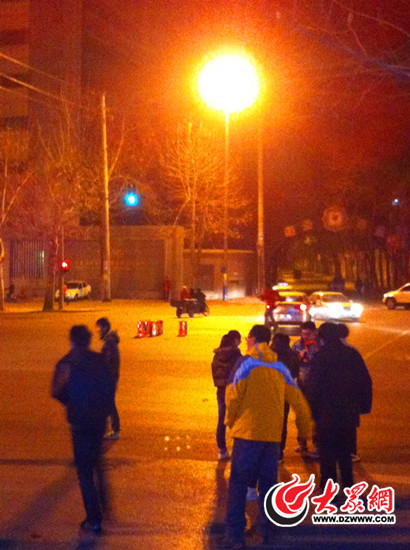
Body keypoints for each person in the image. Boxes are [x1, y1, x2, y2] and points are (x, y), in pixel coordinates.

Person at [220, 325, 311, 549]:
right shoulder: (280, 368)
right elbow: (299, 403)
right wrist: (304, 432)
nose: (246, 341)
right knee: (268, 488)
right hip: (271, 440)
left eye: (248, 338)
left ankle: (235, 537)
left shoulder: (245, 363)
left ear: (252, 339)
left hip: (247, 436)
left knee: (238, 486)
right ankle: (266, 534)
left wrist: (229, 422)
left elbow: (232, 396)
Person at [51, 325, 115, 535]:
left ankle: (94, 518)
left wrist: (70, 401)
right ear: (88, 341)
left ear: (72, 341)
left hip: (80, 422)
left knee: (85, 472)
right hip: (98, 421)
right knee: (97, 462)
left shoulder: (67, 363)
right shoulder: (99, 361)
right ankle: (105, 505)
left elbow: (56, 391)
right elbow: (109, 390)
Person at [305, 322, 372, 492]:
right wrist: (363, 407)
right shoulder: (352, 354)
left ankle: (329, 491)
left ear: (322, 338)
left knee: (327, 456)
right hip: (348, 414)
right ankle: (349, 488)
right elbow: (365, 382)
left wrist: (311, 412)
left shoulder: (320, 357)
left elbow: (312, 387)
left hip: (325, 415)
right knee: (345, 455)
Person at [292, 320, 322, 457]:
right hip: (302, 385)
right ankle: (302, 444)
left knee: (316, 416)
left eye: (308, 334)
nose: (306, 336)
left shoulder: (320, 345)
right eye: (303, 334)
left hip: (317, 385)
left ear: (315, 333)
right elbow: (292, 362)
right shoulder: (297, 345)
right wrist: (299, 357)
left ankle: (317, 445)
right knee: (301, 415)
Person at [211, 330, 242, 460]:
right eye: (239, 340)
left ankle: (222, 450)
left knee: (222, 420)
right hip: (233, 390)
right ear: (235, 341)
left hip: (221, 390)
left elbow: (215, 373)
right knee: (237, 420)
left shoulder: (217, 356)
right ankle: (238, 449)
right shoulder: (236, 355)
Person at [271, 333, 300, 463]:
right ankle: (279, 453)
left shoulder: (269, 355)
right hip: (285, 393)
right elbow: (295, 373)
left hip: (270, 393)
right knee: (282, 423)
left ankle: (269, 451)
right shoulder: (292, 355)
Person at [337, 324, 362, 463]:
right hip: (349, 396)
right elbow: (361, 377)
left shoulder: (326, 352)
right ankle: (350, 452)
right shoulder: (352, 352)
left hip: (333, 397)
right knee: (349, 425)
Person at [96, 317, 120, 440]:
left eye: (100, 328)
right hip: (109, 377)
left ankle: (115, 430)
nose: (99, 331)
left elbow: (109, 362)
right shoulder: (109, 342)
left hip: (109, 378)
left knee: (109, 403)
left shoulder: (109, 344)